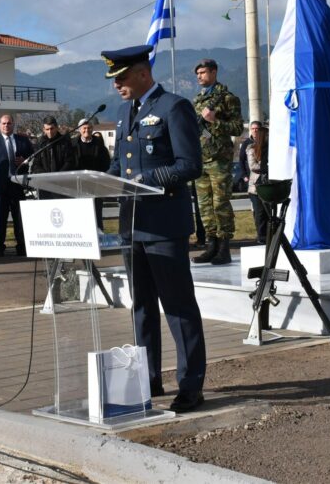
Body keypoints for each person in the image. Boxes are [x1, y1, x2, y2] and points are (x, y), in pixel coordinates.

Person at [103, 44, 207, 413]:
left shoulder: (173, 107)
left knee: (178, 308)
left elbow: (190, 164)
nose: (117, 85)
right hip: (132, 224)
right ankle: (147, 379)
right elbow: (119, 165)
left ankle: (191, 385)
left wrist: (149, 179)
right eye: (114, 79)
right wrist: (100, 184)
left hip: (164, 224)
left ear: (143, 73)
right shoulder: (122, 112)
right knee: (142, 308)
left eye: (122, 77)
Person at [191, 58, 243, 265]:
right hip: (200, 158)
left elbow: (238, 128)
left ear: (213, 72)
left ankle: (224, 247)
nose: (199, 77)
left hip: (219, 159)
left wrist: (215, 121)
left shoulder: (227, 98)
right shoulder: (198, 100)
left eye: (203, 72)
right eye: (198, 74)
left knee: (220, 203)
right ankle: (210, 245)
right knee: (204, 206)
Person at [0, 114, 33, 257]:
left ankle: (22, 246)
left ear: (13, 125)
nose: (6, 126)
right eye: (4, 123)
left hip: (17, 184)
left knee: (20, 218)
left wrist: (24, 161)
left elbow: (33, 158)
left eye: (9, 123)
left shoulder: (23, 141)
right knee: (0, 218)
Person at [72, 117, 111, 227]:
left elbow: (106, 164)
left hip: (95, 185)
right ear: (79, 129)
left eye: (89, 128)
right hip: (78, 185)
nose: (87, 130)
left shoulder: (100, 145)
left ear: (92, 129)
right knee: (80, 216)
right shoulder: (73, 145)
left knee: (96, 213)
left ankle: (99, 236)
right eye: (84, 128)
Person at [245, 122, 270, 244]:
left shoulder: (270, 149)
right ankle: (261, 236)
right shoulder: (251, 149)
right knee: (259, 213)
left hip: (268, 185)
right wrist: (267, 166)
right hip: (256, 187)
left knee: (268, 213)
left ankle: (268, 235)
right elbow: (253, 166)